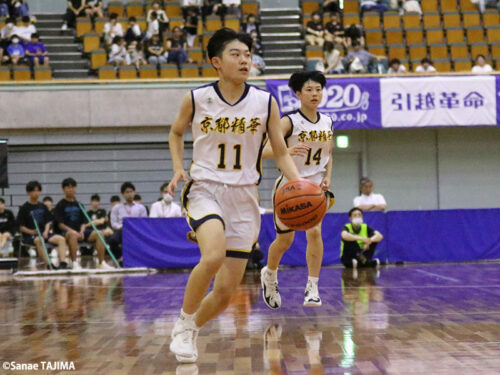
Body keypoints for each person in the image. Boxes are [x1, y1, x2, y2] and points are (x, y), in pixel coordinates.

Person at [167, 27, 300, 363]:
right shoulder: (197, 98)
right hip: (205, 188)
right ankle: (183, 322)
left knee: (226, 293)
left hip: (245, 196)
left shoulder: (265, 102)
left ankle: (193, 326)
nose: (244, 60)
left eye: (247, 55)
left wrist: (300, 183)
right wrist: (178, 167)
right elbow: (175, 131)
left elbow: (281, 152)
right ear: (216, 61)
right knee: (212, 256)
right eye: (235, 54)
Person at [260, 70, 335, 310]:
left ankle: (312, 287)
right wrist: (286, 151)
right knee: (285, 241)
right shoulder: (289, 121)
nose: (315, 94)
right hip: (290, 186)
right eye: (309, 90)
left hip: (314, 187)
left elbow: (328, 153)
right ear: (298, 94)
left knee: (315, 232)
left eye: (318, 89)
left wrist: (328, 177)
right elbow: (262, 150)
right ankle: (270, 275)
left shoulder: (327, 121)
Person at [53, 178, 113, 270]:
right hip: (67, 233)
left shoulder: (79, 204)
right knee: (72, 234)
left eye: (72, 187)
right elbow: (60, 224)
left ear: (75, 188)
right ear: (63, 189)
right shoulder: (60, 205)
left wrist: (81, 231)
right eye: (68, 187)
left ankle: (101, 262)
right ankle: (74, 263)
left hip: (80, 232)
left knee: (99, 233)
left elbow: (83, 222)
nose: (70, 189)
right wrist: (73, 231)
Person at [16, 181, 68, 269]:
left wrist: (46, 231)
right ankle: (49, 264)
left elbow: (48, 221)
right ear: (28, 192)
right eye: (34, 191)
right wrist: (31, 231)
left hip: (44, 233)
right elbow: (21, 227)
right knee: (39, 240)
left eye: (38, 191)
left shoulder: (42, 206)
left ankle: (63, 263)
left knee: (61, 239)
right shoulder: (24, 208)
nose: (36, 193)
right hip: (30, 236)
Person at [109, 182, 147, 260]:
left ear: (134, 192)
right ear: (122, 194)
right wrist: (122, 227)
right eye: (127, 192)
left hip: (136, 231)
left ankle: (140, 258)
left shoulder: (141, 207)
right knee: (112, 240)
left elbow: (144, 222)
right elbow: (113, 223)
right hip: (121, 231)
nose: (129, 194)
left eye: (131, 192)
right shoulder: (116, 208)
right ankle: (119, 257)